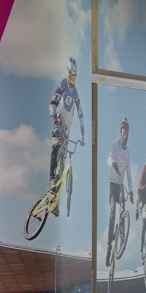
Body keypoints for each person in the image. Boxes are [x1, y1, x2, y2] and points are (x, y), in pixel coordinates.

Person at [48, 57, 86, 215]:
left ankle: (54, 202)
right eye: (70, 76)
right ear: (67, 74)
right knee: (56, 145)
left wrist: (83, 136)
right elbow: (52, 104)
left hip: (68, 129)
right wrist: (55, 122)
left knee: (63, 167)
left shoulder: (76, 93)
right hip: (60, 121)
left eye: (74, 77)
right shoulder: (63, 84)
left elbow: (81, 114)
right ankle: (50, 180)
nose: (72, 80)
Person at [106, 117, 134, 266]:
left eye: (126, 131)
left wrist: (131, 192)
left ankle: (121, 233)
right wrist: (113, 163)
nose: (124, 133)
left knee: (122, 206)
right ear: (120, 131)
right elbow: (109, 157)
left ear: (128, 134)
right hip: (113, 184)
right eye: (123, 130)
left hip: (121, 185)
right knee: (112, 210)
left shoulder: (128, 152)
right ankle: (109, 245)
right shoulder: (115, 145)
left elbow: (129, 176)